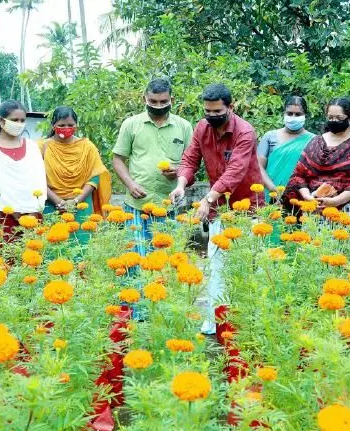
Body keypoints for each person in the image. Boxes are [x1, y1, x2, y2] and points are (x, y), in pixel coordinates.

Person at [170, 83, 263, 334]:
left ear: (230, 107)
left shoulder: (245, 131)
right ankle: (215, 322)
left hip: (248, 210)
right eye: (208, 111)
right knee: (217, 266)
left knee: (247, 267)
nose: (212, 116)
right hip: (219, 209)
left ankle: (246, 325)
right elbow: (190, 159)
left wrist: (207, 199)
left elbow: (235, 171)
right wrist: (181, 184)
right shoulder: (202, 128)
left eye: (217, 112)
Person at [112, 78, 193, 255]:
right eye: (153, 101)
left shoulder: (184, 126)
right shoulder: (131, 124)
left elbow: (191, 163)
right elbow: (117, 159)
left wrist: (178, 172)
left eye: (163, 101)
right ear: (144, 99)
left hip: (169, 204)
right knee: (137, 258)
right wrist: (130, 184)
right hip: (137, 202)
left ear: (172, 100)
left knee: (167, 258)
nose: (158, 106)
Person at [283, 97, 350, 225]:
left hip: (349, 207)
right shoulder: (316, 142)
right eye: (330, 118)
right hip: (316, 206)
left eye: (339, 118)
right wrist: (307, 197)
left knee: (344, 238)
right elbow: (298, 175)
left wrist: (336, 201)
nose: (334, 121)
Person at [0, 100, 47, 242]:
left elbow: (38, 180)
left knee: (31, 253)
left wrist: (32, 211)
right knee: (1, 253)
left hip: (31, 213)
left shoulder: (32, 147)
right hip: (0, 215)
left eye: (22, 120)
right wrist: (14, 212)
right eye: (14, 120)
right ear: (1, 120)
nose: (19, 124)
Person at [39, 106, 111, 244]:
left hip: (82, 205)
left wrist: (76, 201)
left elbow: (95, 176)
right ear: (53, 125)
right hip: (51, 205)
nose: (66, 128)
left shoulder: (87, 147)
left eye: (70, 125)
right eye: (61, 125)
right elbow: (36, 178)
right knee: (54, 246)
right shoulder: (42, 147)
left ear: (76, 126)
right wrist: (59, 202)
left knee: (82, 245)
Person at [257, 96, 316, 199]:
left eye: (298, 114)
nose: (293, 117)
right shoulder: (270, 137)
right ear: (284, 114)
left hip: (300, 198)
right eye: (289, 113)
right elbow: (258, 166)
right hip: (269, 194)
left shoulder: (314, 140)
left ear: (305, 116)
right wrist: (273, 189)